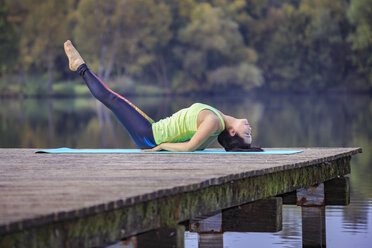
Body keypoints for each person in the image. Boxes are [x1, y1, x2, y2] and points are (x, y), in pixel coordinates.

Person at [64, 40, 254, 152]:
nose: (249, 128)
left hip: (150, 137)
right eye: (250, 133)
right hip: (151, 130)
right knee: (113, 100)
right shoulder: (216, 123)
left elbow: (189, 148)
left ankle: (79, 66)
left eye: (246, 133)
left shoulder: (214, 122)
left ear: (232, 132)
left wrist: (161, 146)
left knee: (112, 99)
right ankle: (79, 67)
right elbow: (197, 146)